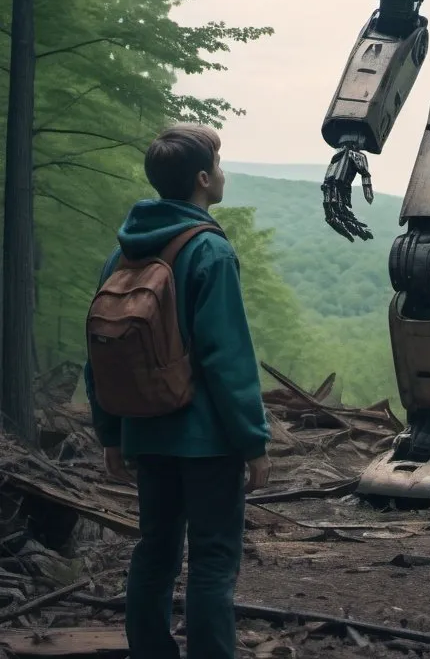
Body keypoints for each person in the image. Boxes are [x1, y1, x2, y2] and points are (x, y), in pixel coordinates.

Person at [84, 123, 271, 659]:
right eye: (220, 162)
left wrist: (112, 434)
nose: (225, 172)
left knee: (155, 552)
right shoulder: (209, 251)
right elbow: (227, 358)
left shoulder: (121, 256)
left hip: (145, 431)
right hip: (208, 441)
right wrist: (254, 442)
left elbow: (99, 349)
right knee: (212, 561)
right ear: (203, 179)